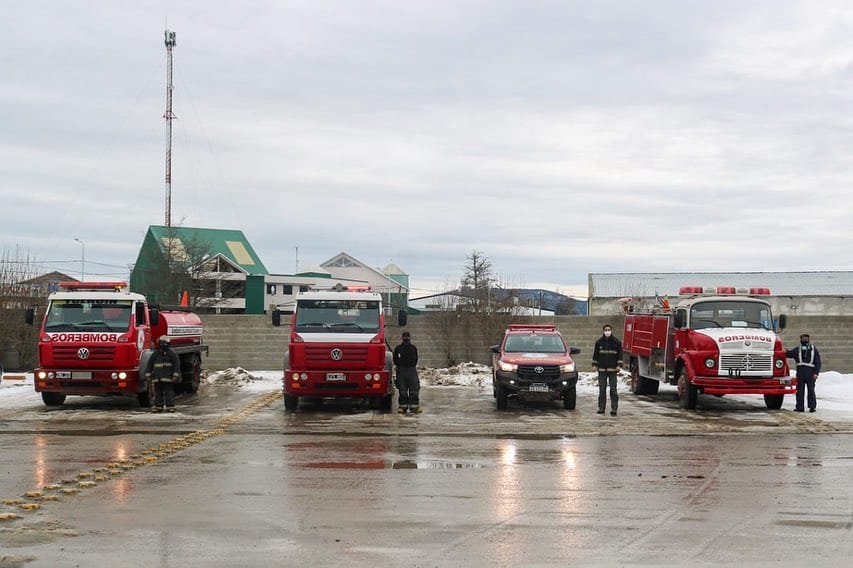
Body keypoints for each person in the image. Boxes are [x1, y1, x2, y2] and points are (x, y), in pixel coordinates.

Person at [592, 324, 624, 416]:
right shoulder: (599, 342)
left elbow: (620, 355)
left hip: (613, 370)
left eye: (609, 329)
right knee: (602, 390)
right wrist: (594, 365)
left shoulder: (616, 342)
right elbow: (595, 355)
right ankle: (601, 408)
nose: (607, 331)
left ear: (611, 330)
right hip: (602, 370)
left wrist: (619, 365)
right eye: (606, 330)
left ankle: (614, 408)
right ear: (603, 331)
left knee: (613, 390)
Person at [785, 333, 822, 413]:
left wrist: (816, 373)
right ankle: (800, 407)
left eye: (806, 338)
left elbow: (818, 362)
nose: (805, 340)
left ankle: (812, 407)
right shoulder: (798, 349)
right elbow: (790, 354)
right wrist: (785, 351)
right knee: (799, 390)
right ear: (800, 339)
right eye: (803, 338)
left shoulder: (813, 349)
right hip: (800, 372)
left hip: (810, 372)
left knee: (811, 390)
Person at [145, 335, 181, 412]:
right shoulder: (155, 354)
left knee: (169, 392)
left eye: (165, 343)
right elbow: (150, 364)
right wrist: (148, 374)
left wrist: (175, 375)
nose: (163, 345)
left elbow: (176, 365)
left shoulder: (172, 354)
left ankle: (170, 406)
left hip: (168, 377)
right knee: (158, 392)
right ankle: (158, 406)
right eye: (162, 343)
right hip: (157, 377)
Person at [393, 331, 420, 414]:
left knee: (414, 388)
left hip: (411, 370)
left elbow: (416, 359)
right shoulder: (398, 348)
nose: (406, 339)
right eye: (405, 337)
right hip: (401, 370)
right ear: (402, 338)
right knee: (402, 389)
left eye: (407, 337)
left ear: (410, 338)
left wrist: (411, 366)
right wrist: (400, 366)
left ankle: (414, 406)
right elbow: (395, 359)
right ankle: (403, 406)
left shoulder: (413, 348)